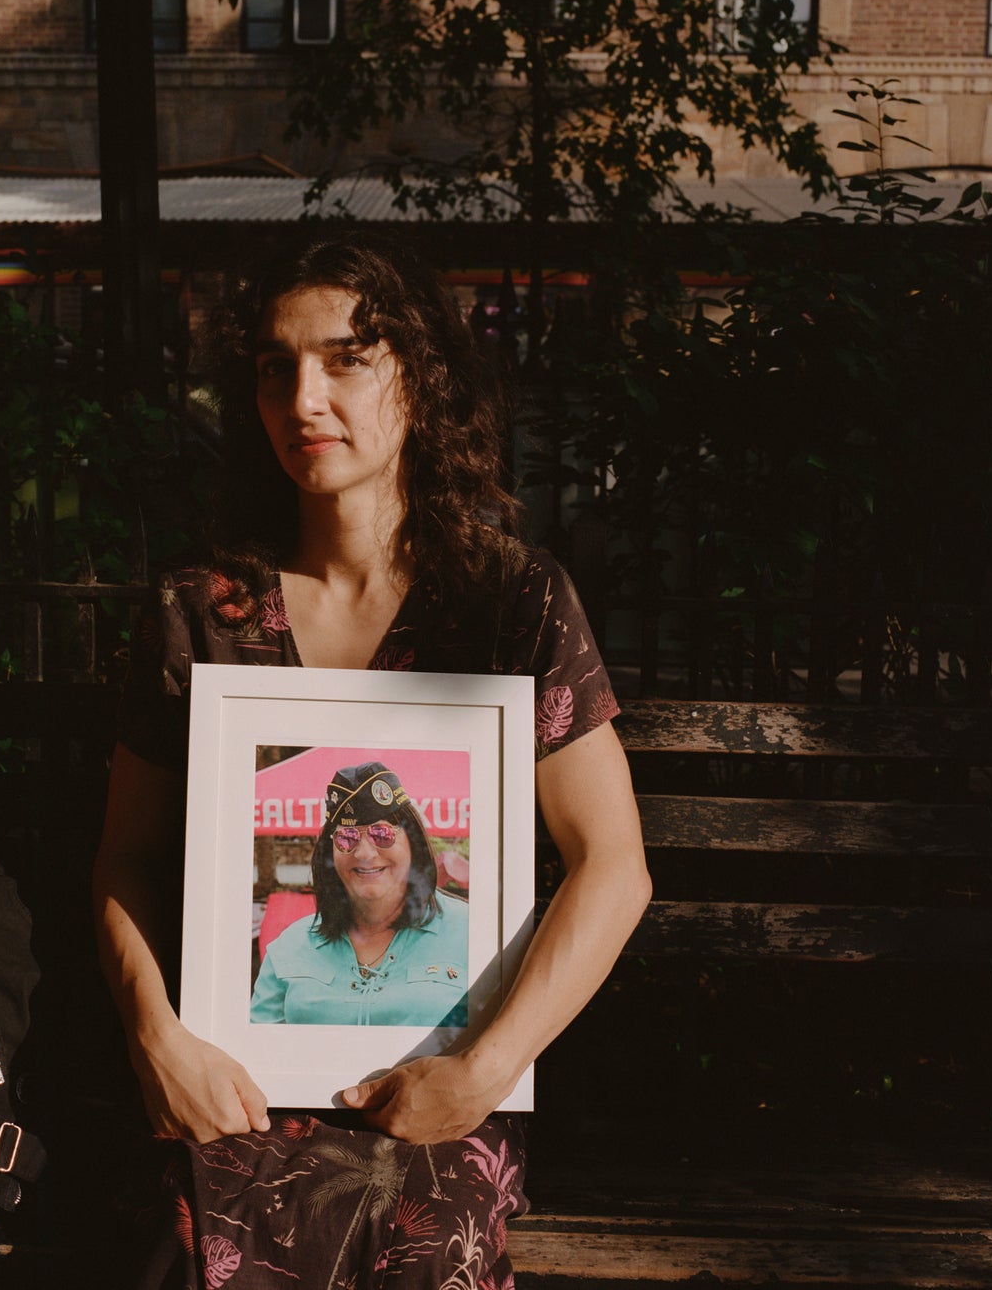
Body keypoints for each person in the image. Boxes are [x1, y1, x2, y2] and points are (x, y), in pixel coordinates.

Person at [93, 229, 651, 1289]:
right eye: (275, 364)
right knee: (193, 1232)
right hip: (234, 1080)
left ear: (420, 377)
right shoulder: (202, 612)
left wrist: (480, 1074)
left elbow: (613, 863)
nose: (303, 397)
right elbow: (124, 856)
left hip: (439, 1085)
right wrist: (158, 1039)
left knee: (428, 1240)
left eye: (347, 356)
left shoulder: (508, 600)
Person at [249, 761, 469, 1027]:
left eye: (382, 834)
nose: (364, 854)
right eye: (347, 838)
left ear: (414, 841)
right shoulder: (289, 948)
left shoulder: (471, 933)